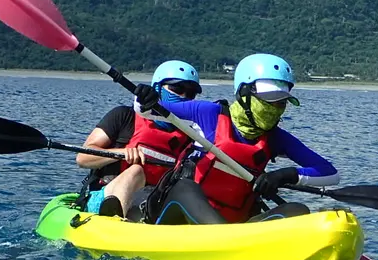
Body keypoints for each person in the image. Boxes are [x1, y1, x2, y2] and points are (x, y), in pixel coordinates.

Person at [132, 53, 339, 224]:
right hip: (177, 215)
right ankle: (222, 239)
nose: (275, 108)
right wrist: (143, 97)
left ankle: (236, 243)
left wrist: (284, 175)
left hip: (236, 229)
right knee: (186, 188)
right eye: (269, 100)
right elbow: (148, 110)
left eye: (281, 102)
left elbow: (329, 173)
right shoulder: (207, 114)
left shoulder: (275, 138)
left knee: (297, 209)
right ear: (244, 94)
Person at [76, 60, 202, 217]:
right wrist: (121, 153)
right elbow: (83, 158)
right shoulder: (124, 116)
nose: (184, 96)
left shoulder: (193, 134)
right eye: (177, 89)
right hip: (105, 197)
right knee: (136, 171)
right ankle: (116, 220)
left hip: (151, 203)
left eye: (190, 93)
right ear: (157, 88)